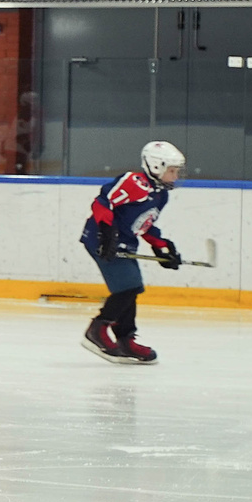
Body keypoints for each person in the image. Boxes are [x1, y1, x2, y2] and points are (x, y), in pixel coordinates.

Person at [81, 140, 184, 365]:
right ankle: (97, 330)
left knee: (130, 289)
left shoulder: (160, 195)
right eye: (172, 171)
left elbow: (143, 224)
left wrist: (162, 246)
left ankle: (125, 339)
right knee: (129, 286)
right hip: (101, 240)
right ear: (156, 166)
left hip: (124, 243)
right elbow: (102, 203)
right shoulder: (134, 183)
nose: (176, 176)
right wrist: (106, 233)